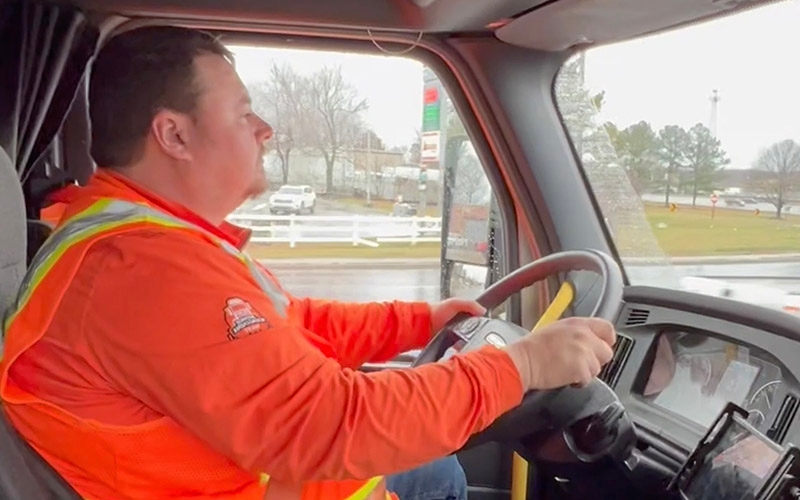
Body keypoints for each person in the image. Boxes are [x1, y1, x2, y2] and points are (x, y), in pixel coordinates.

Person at [0, 26, 617, 500]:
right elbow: (334, 424)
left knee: (435, 464)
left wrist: (418, 321)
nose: (264, 128)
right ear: (174, 136)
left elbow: (290, 323)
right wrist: (524, 362)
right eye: (243, 113)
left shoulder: (145, 238)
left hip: (248, 473)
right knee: (439, 473)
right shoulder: (141, 269)